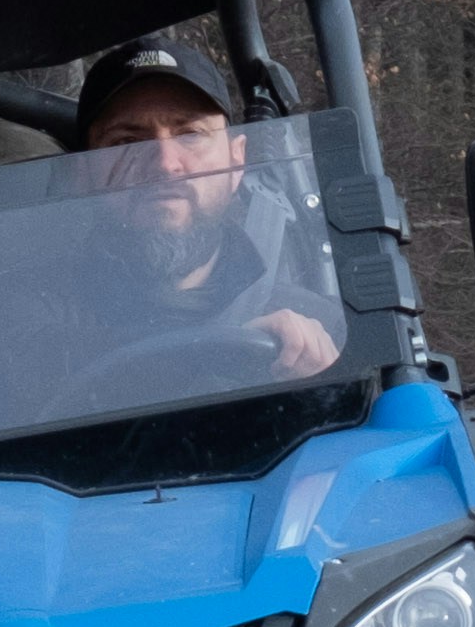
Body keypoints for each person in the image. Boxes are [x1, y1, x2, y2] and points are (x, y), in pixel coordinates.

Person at [69, 47, 342, 388]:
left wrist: (329, 390)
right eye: (126, 141)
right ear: (82, 173)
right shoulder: (25, 332)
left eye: (191, 135)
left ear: (237, 159)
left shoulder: (325, 330)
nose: (165, 163)